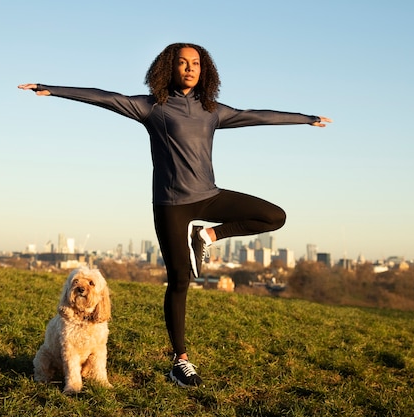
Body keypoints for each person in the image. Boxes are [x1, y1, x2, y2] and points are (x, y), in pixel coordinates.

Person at [19, 42, 331, 388]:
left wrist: (306, 119)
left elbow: (256, 115)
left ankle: (208, 235)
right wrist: (53, 90)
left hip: (208, 197)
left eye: (195, 63)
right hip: (171, 206)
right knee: (179, 280)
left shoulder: (212, 110)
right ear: (168, 68)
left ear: (205, 69)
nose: (189, 68)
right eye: (182, 62)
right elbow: (106, 97)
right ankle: (180, 361)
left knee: (274, 216)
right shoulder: (153, 107)